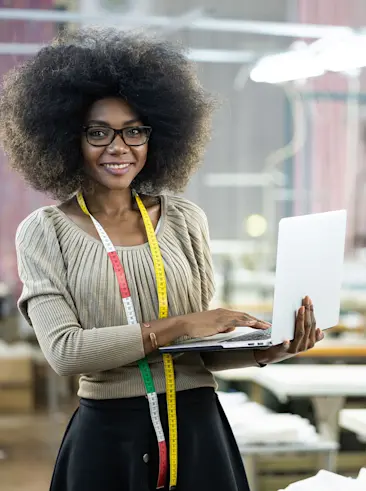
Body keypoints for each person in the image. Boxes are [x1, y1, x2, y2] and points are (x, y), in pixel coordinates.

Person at [0, 28, 324, 491]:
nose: (119, 147)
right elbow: (66, 352)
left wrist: (266, 351)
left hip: (198, 429)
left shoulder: (186, 220)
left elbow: (196, 358)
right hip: (109, 438)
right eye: (98, 133)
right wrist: (180, 324)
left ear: (157, 137)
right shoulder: (44, 231)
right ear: (66, 138)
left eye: (135, 131)